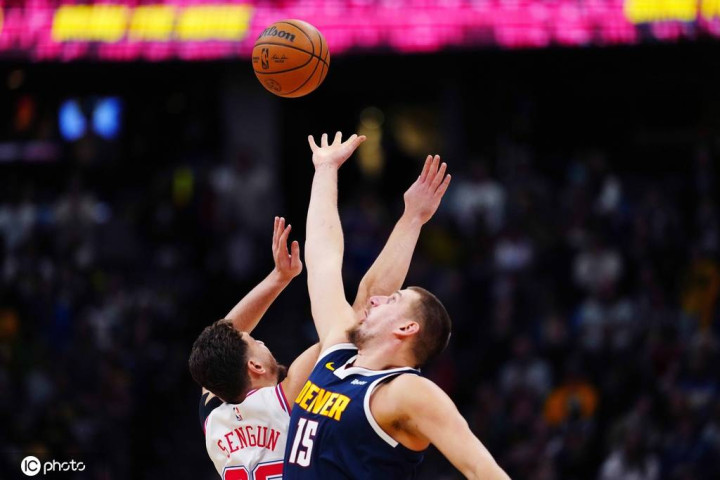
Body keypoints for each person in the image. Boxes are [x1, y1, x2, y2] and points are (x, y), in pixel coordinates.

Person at [189, 155, 452, 479]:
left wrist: (279, 278)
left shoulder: (215, 421)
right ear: (255, 367)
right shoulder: (285, 397)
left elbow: (220, 340)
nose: (261, 339)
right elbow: (361, 315)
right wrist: (412, 218)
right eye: (256, 341)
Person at [283, 132, 509, 479]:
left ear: (407, 328)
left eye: (394, 300)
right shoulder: (337, 354)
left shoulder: (406, 391)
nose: (376, 299)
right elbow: (323, 259)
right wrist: (326, 170)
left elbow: (481, 469)